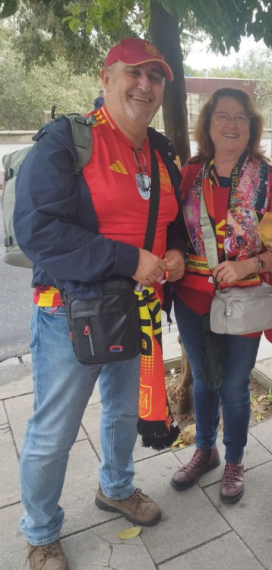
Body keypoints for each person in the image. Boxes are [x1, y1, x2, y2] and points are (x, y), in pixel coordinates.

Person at [14, 38, 186, 570]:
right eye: (134, 73)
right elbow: (37, 231)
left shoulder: (159, 151)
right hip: (72, 312)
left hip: (136, 310)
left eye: (155, 78)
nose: (145, 86)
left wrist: (174, 253)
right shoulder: (68, 141)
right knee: (54, 431)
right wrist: (127, 259)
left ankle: (116, 487)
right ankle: (41, 532)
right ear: (106, 76)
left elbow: (172, 221)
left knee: (120, 413)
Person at [170, 88, 272, 504]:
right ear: (207, 124)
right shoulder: (188, 174)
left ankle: (236, 459)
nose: (231, 125)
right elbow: (169, 229)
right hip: (192, 297)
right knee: (205, 380)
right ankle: (205, 451)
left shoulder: (271, 181)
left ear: (251, 126)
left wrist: (248, 265)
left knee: (236, 386)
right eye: (222, 116)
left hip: (245, 300)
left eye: (240, 117)